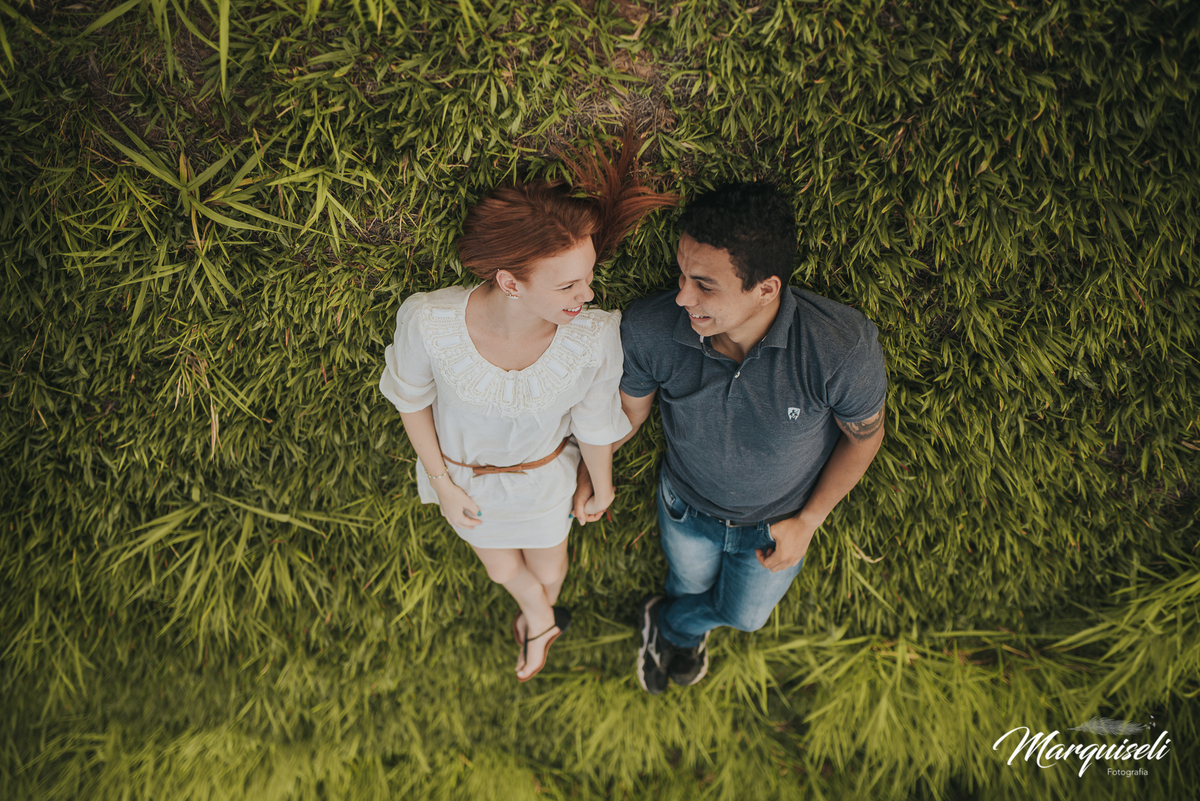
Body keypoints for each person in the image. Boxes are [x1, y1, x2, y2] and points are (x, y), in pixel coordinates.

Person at [379, 134, 674, 681]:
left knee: (551, 567)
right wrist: (442, 484)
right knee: (499, 566)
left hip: (544, 480)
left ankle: (542, 611)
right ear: (510, 283)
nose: (587, 294)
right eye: (569, 283)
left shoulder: (591, 337)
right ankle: (539, 620)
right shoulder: (430, 322)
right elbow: (410, 400)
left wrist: (602, 482)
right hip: (465, 480)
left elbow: (590, 419)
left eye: (588, 276)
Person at [573, 182, 888, 694]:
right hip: (685, 508)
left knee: (746, 618)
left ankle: (671, 626)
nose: (682, 297)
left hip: (775, 524)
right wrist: (592, 466)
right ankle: (681, 624)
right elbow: (630, 414)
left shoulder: (839, 349)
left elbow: (864, 439)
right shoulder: (652, 328)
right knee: (687, 584)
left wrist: (809, 522)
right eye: (681, 274)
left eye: (705, 285)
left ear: (766, 288)